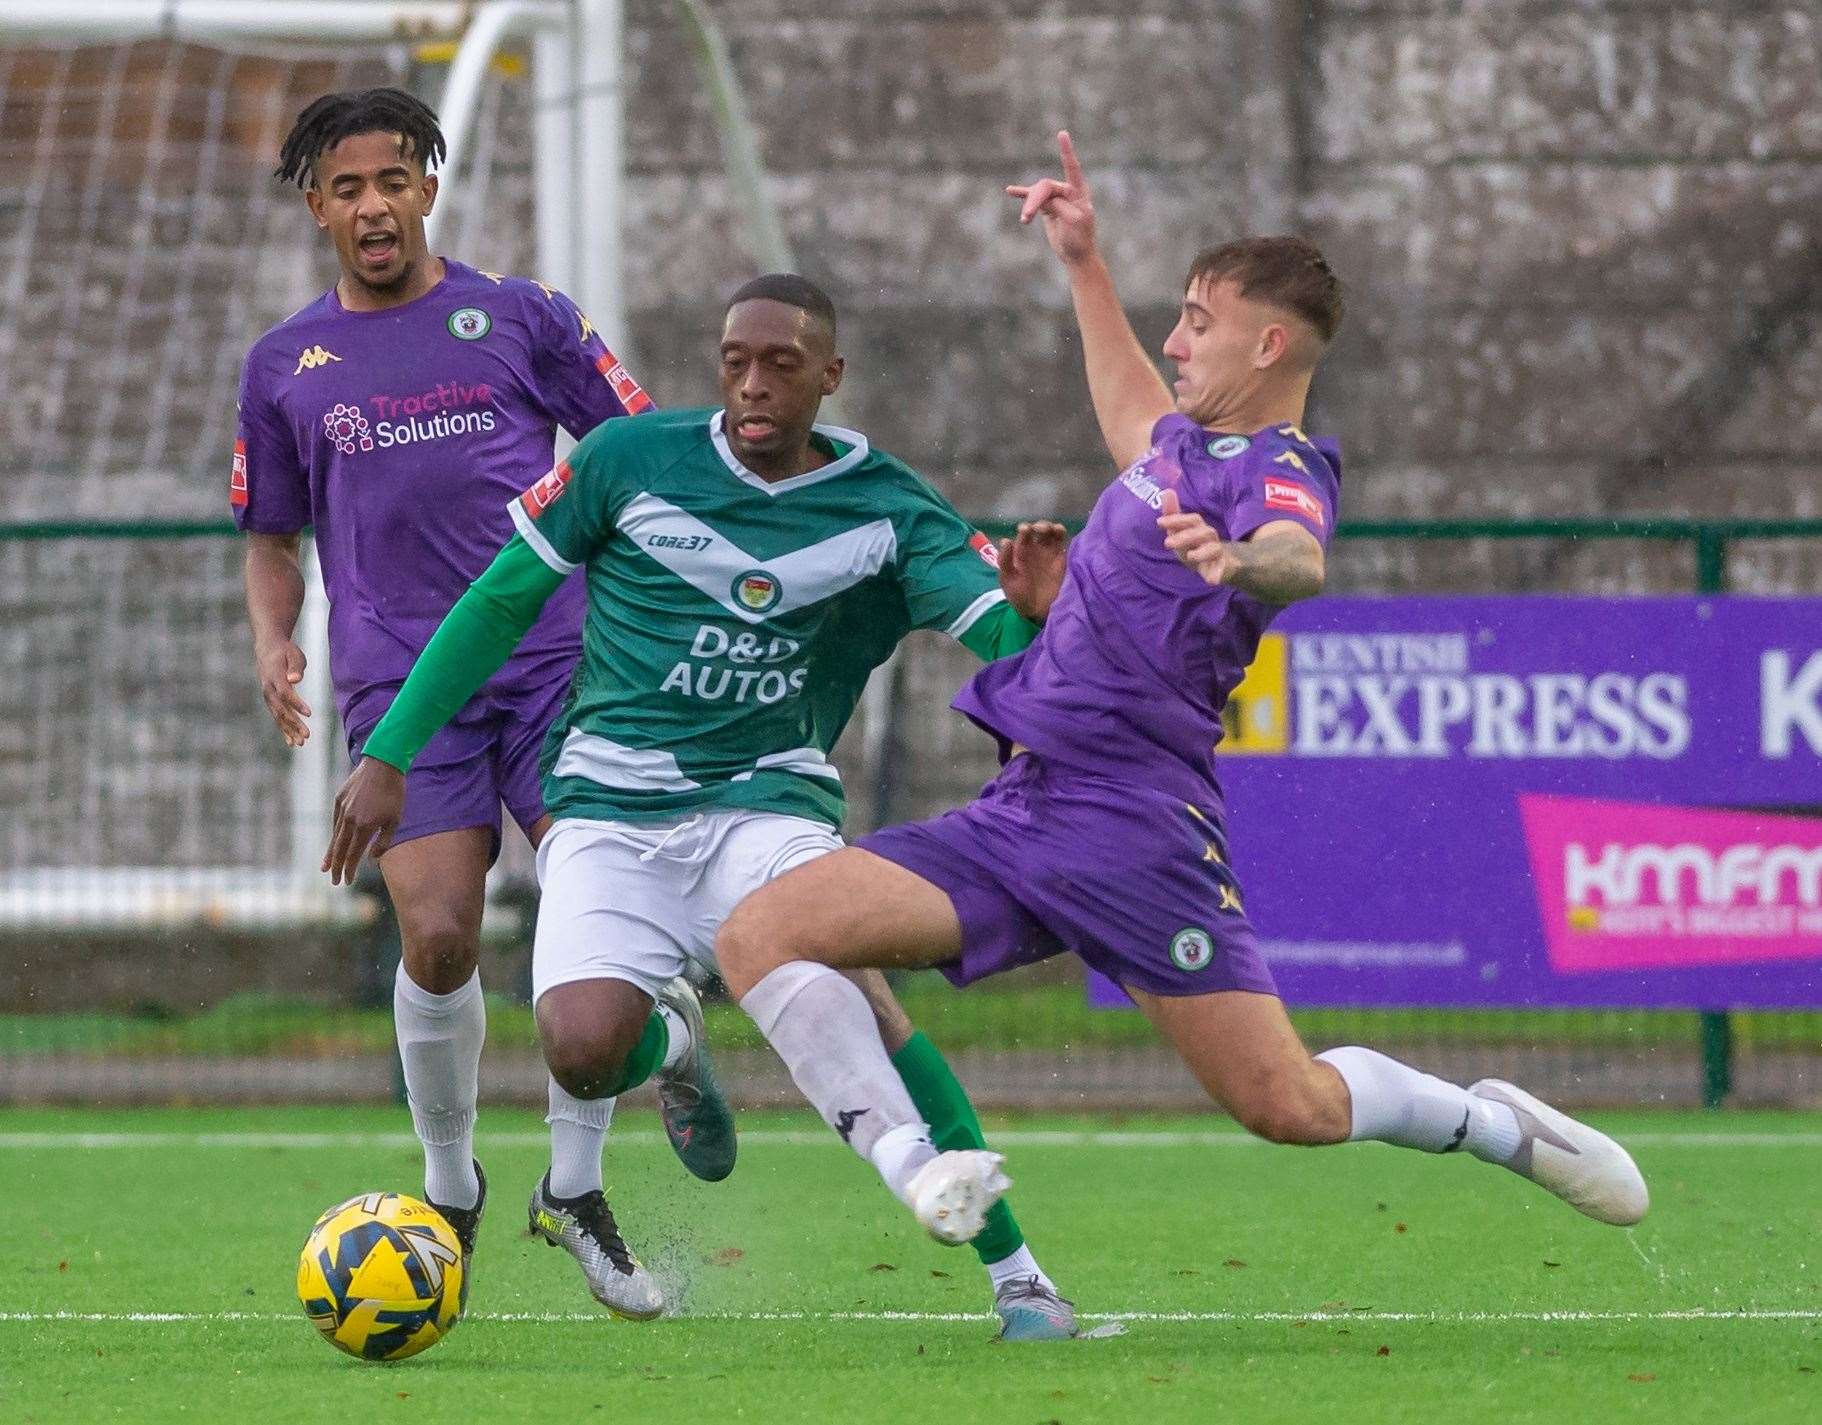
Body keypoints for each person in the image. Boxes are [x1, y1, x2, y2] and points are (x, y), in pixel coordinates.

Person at [710, 132, 1650, 1249]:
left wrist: (1241, 561)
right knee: (761, 932)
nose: (1174, 339)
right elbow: (1127, 402)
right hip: (1022, 811)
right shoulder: (1170, 451)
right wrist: (1080, 261)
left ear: (1264, 342)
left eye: (1196, 322)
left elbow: (1300, 558)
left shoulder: (1277, 470)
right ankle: (917, 1170)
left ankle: (1488, 1125)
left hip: (1135, 832)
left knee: (1286, 1108)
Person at [324, 273, 1081, 1338]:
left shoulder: (891, 510)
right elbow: (498, 601)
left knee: (852, 994)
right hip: (605, 809)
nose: (754, 385)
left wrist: (1039, 624)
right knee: (581, 1048)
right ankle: (673, 1043)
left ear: (830, 376)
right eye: (735, 362)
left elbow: (1008, 660)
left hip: (766, 808)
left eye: (781, 364)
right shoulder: (627, 463)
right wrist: (391, 750)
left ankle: (1019, 1277)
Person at [233, 88, 725, 1298]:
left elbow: (639, 451)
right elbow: (271, 533)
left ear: (427, 189)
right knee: (442, 940)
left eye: (392, 180)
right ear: (317, 208)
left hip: (565, 664)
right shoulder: (284, 365)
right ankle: (449, 1181)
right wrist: (273, 642)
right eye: (346, 187)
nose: (373, 205)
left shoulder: (520, 318)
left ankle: (574, 1188)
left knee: (589, 922)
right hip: (405, 686)